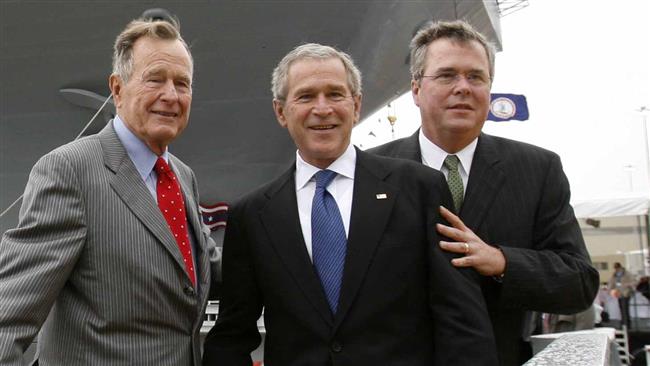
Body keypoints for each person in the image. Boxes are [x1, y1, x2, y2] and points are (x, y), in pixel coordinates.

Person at [201, 43, 497, 366]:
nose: (323, 108)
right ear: (280, 111)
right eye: (305, 96)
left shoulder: (419, 189)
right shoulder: (253, 216)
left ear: (356, 105)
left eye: (335, 94)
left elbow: (461, 319)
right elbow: (231, 337)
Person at [370, 20, 599, 365]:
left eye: (476, 77)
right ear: (416, 89)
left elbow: (579, 283)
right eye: (446, 75)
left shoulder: (538, 170)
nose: (463, 87)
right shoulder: (369, 172)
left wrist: (502, 262)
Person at [0, 18, 213, 365]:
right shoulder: (71, 169)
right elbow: (10, 309)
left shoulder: (181, 177)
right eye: (155, 79)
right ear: (117, 89)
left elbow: (199, 268)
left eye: (182, 84)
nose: (171, 95)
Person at [609, 262, 635, 328]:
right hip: (618, 294)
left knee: (624, 309)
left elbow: (634, 282)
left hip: (625, 293)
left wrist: (626, 284)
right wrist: (610, 289)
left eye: (617, 268)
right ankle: (624, 323)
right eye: (615, 268)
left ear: (620, 267)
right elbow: (611, 283)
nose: (616, 270)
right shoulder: (614, 275)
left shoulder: (627, 273)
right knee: (621, 309)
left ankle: (626, 324)